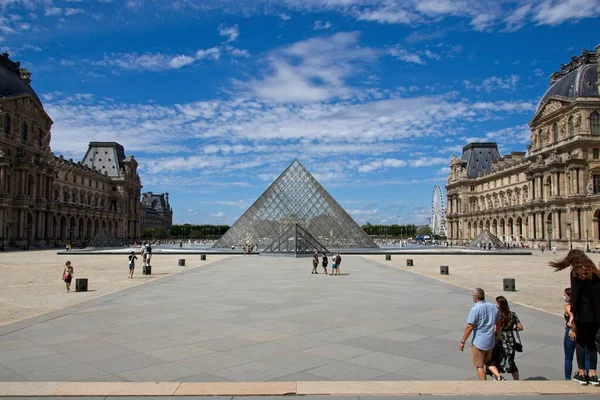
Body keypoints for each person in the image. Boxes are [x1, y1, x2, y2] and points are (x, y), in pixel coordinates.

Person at [550, 250, 600, 386]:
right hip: (595, 315)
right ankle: (593, 375)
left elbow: (576, 296)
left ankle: (582, 373)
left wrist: (573, 315)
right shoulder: (595, 272)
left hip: (582, 314)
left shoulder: (576, 273)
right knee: (591, 345)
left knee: (580, 342)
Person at [459, 287, 504, 381]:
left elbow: (469, 327)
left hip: (479, 342)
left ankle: (484, 384)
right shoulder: (493, 307)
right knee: (488, 362)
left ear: (475, 297)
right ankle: (499, 376)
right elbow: (498, 324)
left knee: (479, 365)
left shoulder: (475, 309)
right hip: (490, 341)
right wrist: (499, 336)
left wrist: (463, 341)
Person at [563, 287, 590, 380]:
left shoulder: (568, 307)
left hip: (570, 332)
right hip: (583, 332)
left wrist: (572, 326)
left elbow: (572, 315)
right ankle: (589, 375)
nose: (564, 297)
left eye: (565, 295)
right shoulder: (583, 307)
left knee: (568, 357)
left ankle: (567, 378)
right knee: (586, 356)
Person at [495, 296, 523, 380]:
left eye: (496, 303)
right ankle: (516, 380)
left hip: (500, 339)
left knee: (498, 360)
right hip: (510, 340)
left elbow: (496, 329)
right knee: (511, 361)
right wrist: (512, 328)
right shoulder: (513, 314)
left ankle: (497, 378)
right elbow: (520, 327)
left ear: (500, 304)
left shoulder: (498, 315)